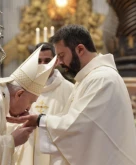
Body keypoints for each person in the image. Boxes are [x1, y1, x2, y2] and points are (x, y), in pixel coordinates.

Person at [7, 25, 136, 165]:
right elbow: (73, 119)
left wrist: (40, 120)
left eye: (61, 55)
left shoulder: (102, 79)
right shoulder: (88, 79)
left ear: (80, 49)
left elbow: (77, 126)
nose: (59, 62)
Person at [8, 42, 74, 165]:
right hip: (26, 148)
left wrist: (42, 122)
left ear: (55, 62)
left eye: (47, 60)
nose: (43, 65)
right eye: (39, 61)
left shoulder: (70, 90)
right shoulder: (20, 88)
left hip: (54, 155)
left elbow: (72, 124)